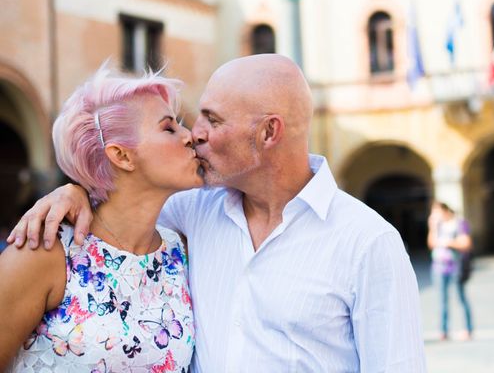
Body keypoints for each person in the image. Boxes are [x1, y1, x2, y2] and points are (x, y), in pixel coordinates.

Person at [9, 54, 427, 372]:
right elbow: (122, 200)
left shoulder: (367, 242)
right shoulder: (188, 213)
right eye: (179, 124)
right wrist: (75, 190)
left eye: (211, 119)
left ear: (268, 132)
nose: (196, 135)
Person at [0, 67, 202, 371]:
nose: (190, 137)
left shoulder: (181, 252)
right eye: (169, 128)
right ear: (121, 156)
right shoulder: (46, 251)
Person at [427, 200, 474, 341]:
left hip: (456, 266)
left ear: (445, 210)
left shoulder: (459, 223)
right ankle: (444, 330)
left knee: (461, 298)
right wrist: (433, 227)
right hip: (439, 267)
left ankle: (468, 329)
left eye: (437, 212)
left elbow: (466, 244)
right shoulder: (437, 226)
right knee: (442, 300)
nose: (435, 215)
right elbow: (431, 244)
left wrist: (448, 243)